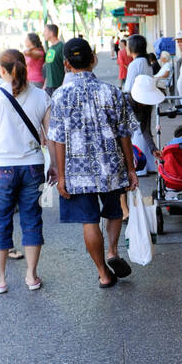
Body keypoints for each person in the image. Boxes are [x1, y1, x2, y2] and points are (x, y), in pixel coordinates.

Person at [47, 37, 138, 289]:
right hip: (112, 166)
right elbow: (125, 134)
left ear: (66, 64)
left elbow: (58, 140)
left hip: (77, 173)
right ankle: (112, 250)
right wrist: (131, 169)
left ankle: (103, 274)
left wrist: (61, 176)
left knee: (89, 221)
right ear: (94, 59)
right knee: (114, 210)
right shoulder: (112, 92)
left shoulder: (59, 96)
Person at [0, 49, 52, 294]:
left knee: (0, 220)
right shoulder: (41, 96)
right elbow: (51, 137)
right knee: (31, 218)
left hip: (2, 167)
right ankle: (32, 275)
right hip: (33, 166)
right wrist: (57, 167)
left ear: (3, 71)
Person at [123, 34, 159, 173]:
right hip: (147, 98)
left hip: (134, 99)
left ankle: (138, 166)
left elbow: (129, 86)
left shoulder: (134, 64)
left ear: (132, 47)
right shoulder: (147, 63)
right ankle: (149, 164)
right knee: (144, 129)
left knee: (136, 131)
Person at [43, 23, 65, 97]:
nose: (43, 33)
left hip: (59, 86)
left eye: (45, 31)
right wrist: (45, 86)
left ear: (51, 33)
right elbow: (48, 69)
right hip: (49, 87)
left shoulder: (61, 47)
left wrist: (63, 85)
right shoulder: (50, 48)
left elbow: (67, 68)